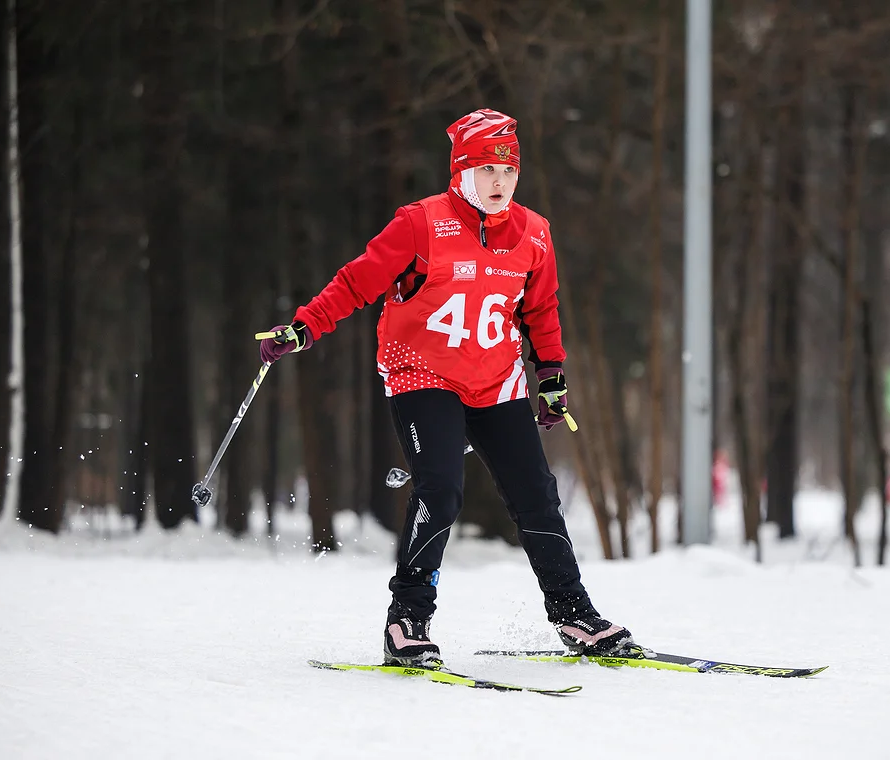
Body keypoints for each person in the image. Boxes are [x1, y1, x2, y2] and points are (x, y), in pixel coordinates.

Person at [258, 108, 636, 667]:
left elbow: (541, 309)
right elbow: (357, 281)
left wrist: (551, 376)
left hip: (497, 380)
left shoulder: (534, 232)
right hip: (421, 374)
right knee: (441, 489)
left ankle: (573, 615)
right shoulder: (420, 223)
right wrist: (305, 325)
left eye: (509, 171)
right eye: (486, 170)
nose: (500, 182)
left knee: (537, 494)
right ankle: (407, 620)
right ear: (461, 172)